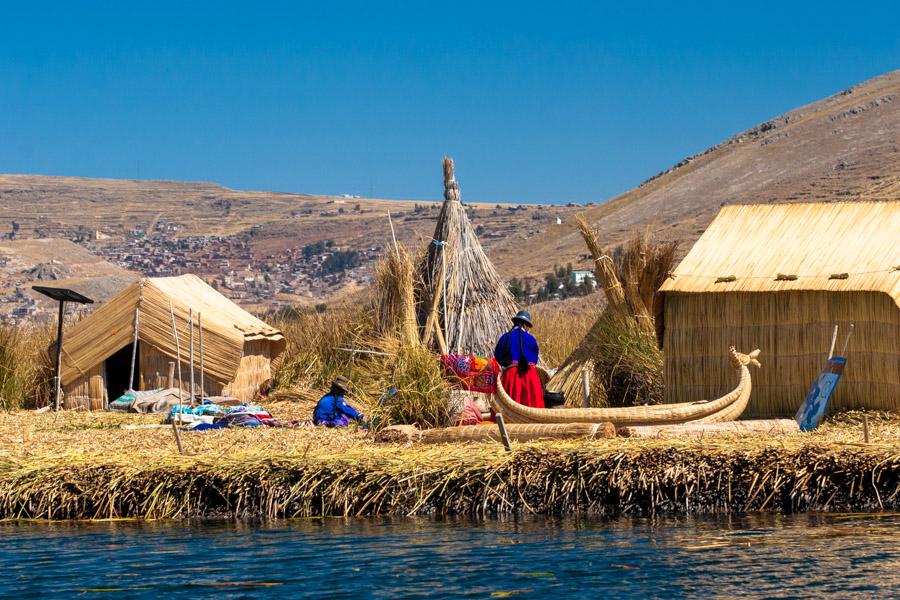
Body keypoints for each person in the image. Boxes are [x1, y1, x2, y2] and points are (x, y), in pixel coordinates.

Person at [493, 310, 544, 408]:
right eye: (528, 326)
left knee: (508, 408)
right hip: (529, 375)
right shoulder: (531, 339)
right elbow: (535, 360)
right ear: (525, 324)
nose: (528, 328)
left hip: (510, 375)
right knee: (532, 406)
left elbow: (498, 356)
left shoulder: (505, 338)